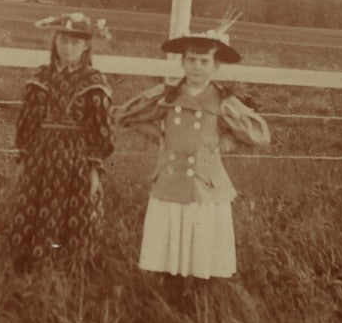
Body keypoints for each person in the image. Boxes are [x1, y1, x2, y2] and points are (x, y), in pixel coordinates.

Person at [112, 15, 271, 279]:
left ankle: (199, 294)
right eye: (192, 61)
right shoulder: (167, 94)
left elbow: (258, 134)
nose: (197, 67)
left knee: (201, 247)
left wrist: (227, 141)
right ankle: (170, 289)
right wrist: (162, 136)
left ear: (216, 67)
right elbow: (127, 115)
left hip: (205, 186)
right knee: (170, 245)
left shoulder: (223, 100)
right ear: (183, 63)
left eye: (204, 62)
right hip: (171, 182)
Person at [9, 12, 115, 273]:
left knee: (75, 209)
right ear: (55, 42)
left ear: (86, 46)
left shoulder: (94, 82)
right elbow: (27, 121)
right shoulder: (41, 78)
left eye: (75, 42)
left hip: (76, 158)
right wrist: (23, 158)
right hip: (41, 156)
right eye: (64, 40)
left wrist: (94, 168)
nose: (68, 47)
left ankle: (69, 268)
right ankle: (32, 265)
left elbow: (101, 129)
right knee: (35, 206)